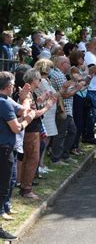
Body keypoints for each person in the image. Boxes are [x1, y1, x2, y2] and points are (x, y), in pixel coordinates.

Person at [0, 71, 37, 240]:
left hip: (7, 148)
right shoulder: (3, 103)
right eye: (13, 85)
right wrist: (27, 121)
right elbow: (16, 127)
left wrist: (25, 98)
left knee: (8, 183)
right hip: (3, 149)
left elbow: (23, 109)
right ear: (8, 87)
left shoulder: (7, 100)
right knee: (2, 187)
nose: (15, 87)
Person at [20, 68, 56, 199]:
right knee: (32, 159)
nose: (41, 81)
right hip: (31, 130)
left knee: (28, 158)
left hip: (32, 129)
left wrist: (42, 99)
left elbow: (34, 106)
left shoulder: (30, 93)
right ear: (33, 79)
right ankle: (26, 189)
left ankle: (24, 185)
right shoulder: (27, 93)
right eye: (39, 79)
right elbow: (34, 114)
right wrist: (49, 105)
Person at [50, 56, 82, 164]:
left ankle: (64, 155)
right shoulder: (59, 75)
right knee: (61, 133)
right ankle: (57, 158)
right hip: (63, 109)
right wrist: (77, 88)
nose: (70, 66)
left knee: (72, 131)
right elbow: (65, 94)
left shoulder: (60, 75)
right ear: (62, 64)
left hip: (66, 109)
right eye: (68, 63)